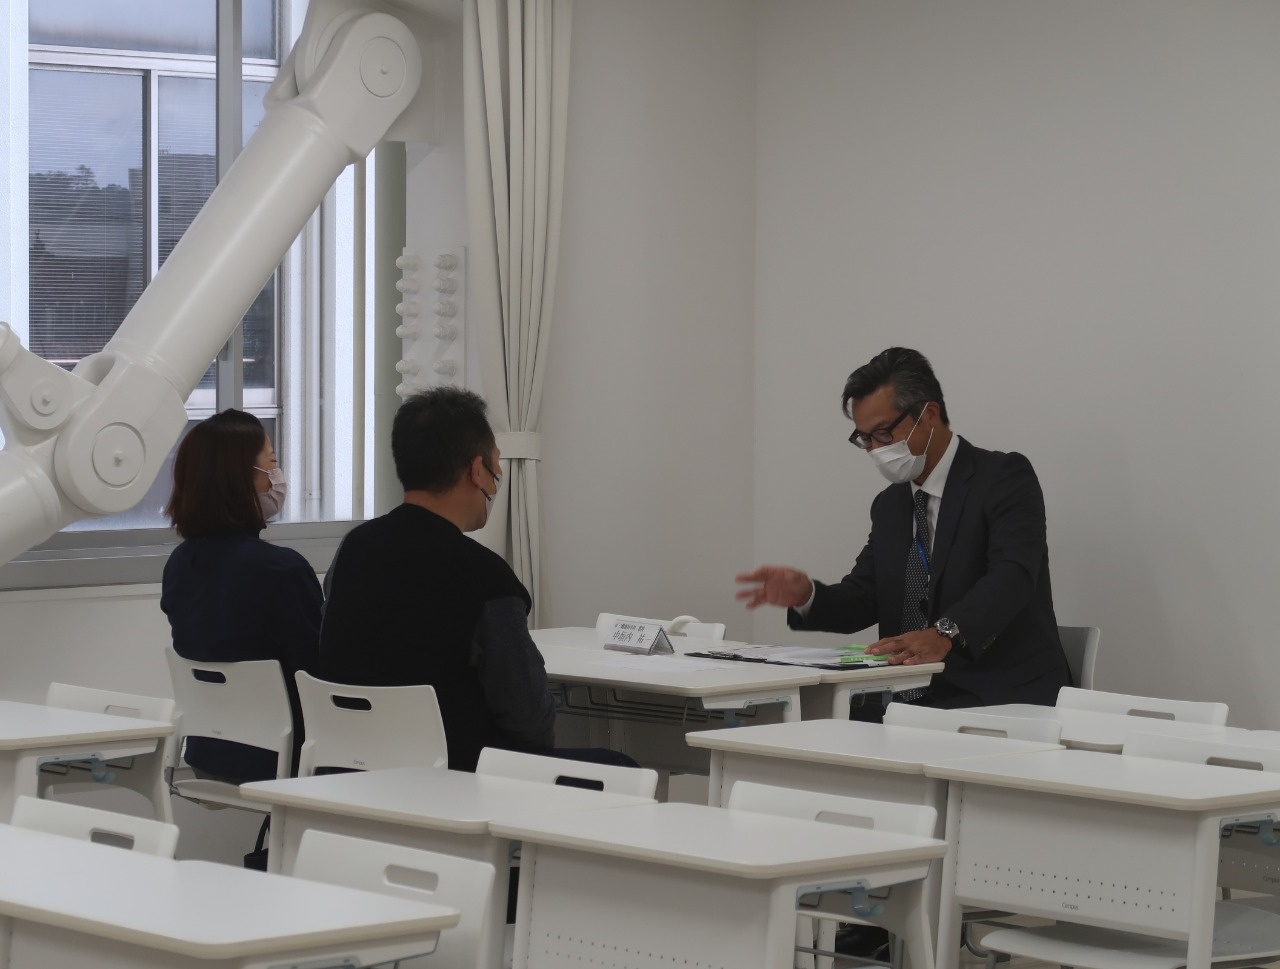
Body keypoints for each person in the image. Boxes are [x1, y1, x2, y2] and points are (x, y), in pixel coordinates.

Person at [736, 347, 1070, 719]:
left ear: (928, 415)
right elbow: (864, 597)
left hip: (999, 696)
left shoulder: (1003, 478)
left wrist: (944, 633)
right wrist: (808, 596)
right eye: (865, 439)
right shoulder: (890, 505)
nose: (876, 450)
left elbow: (1013, 576)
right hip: (904, 697)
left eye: (883, 433)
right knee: (803, 724)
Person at [320, 387, 633, 772]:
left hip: (351, 767)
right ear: (477, 470)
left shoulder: (353, 550)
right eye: (496, 466)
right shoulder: (486, 578)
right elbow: (530, 722)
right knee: (621, 767)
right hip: (459, 779)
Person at [160, 409, 322, 781]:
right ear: (239, 479)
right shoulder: (280, 569)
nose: (277, 478)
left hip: (209, 752)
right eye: (272, 464)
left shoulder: (181, 563)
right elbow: (317, 670)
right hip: (282, 758)